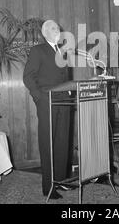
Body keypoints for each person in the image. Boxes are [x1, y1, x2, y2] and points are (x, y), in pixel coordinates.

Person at [23, 20, 72, 199]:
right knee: (48, 143)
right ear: (45, 33)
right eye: (53, 28)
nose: (57, 29)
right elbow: (28, 76)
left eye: (58, 27)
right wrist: (39, 97)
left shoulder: (62, 52)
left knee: (62, 141)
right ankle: (49, 186)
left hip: (64, 101)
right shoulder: (38, 50)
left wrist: (68, 91)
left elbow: (65, 76)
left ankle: (61, 180)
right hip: (47, 101)